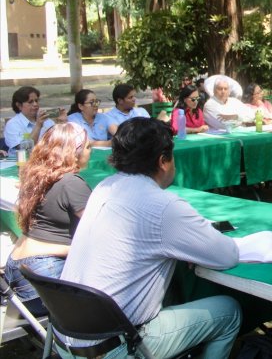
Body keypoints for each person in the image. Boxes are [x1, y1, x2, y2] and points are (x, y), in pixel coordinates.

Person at [56, 118, 241, 359]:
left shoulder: (104, 187)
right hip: (119, 346)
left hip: (68, 340)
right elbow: (227, 256)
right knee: (229, 310)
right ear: (163, 161)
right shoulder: (164, 206)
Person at [3, 123, 92, 316]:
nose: (89, 151)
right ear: (73, 152)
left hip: (17, 269)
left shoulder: (35, 177)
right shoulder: (72, 183)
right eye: (87, 146)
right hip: (43, 277)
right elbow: (97, 231)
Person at [5, 86, 66, 155]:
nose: (35, 104)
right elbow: (25, 149)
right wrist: (38, 125)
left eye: (36, 101)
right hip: (21, 163)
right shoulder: (13, 124)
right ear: (19, 105)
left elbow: (61, 142)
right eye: (30, 102)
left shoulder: (46, 120)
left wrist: (62, 123)